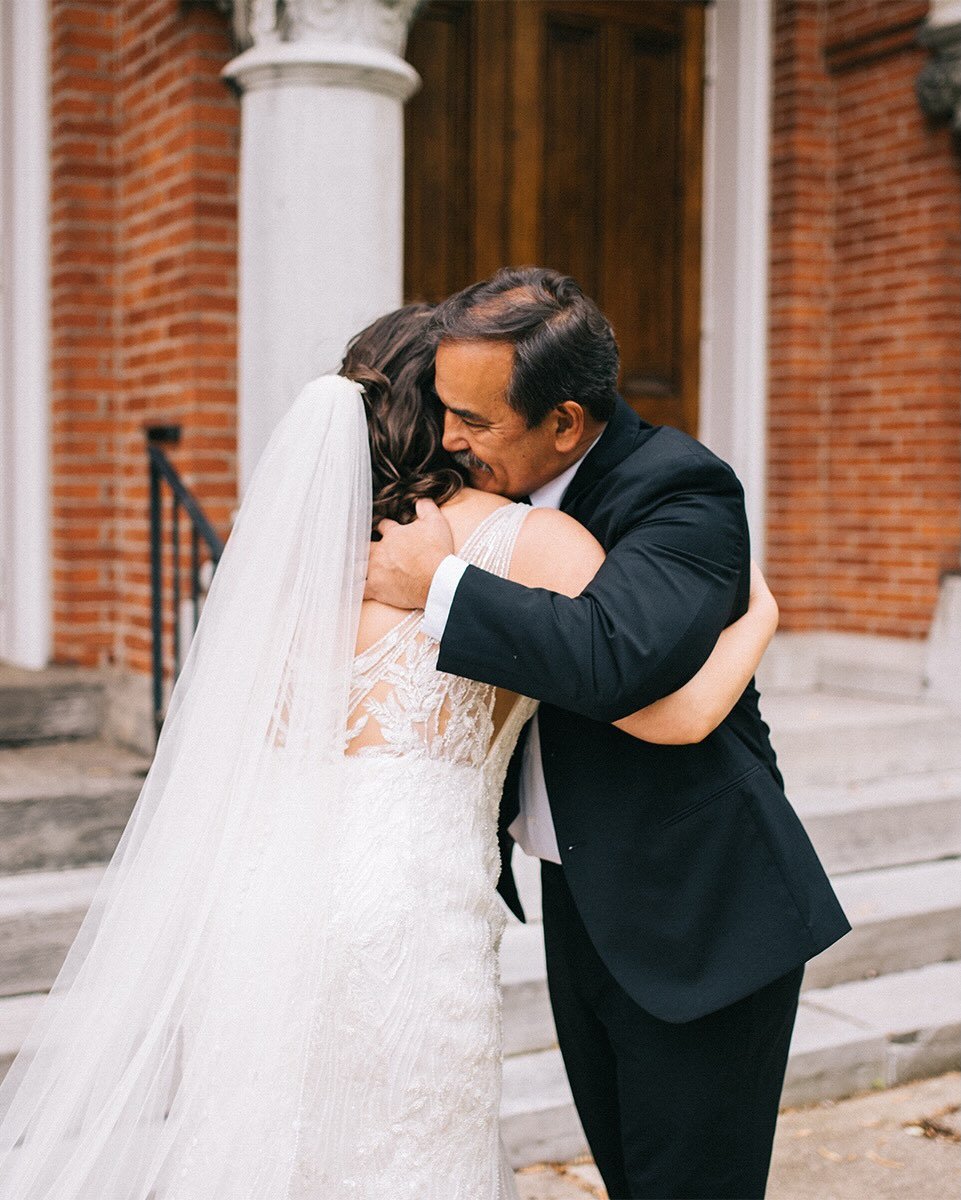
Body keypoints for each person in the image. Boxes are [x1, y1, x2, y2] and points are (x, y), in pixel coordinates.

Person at [0, 304, 779, 1200]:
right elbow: (660, 709)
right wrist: (757, 622)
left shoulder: (304, 562)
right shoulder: (527, 539)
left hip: (264, 897)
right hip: (403, 901)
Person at [365, 270, 852, 1200]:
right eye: (442, 410)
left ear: (566, 421)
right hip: (582, 896)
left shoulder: (681, 489)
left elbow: (612, 660)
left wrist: (441, 584)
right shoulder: (491, 502)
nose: (453, 439)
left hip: (702, 910)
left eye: (475, 419)